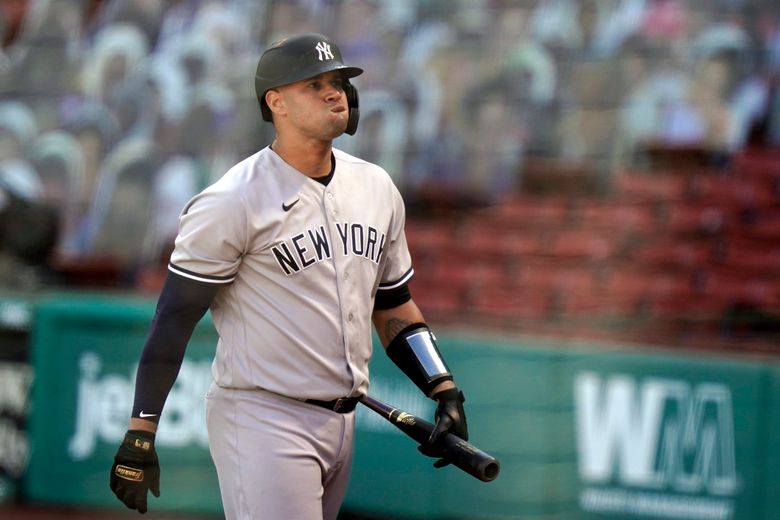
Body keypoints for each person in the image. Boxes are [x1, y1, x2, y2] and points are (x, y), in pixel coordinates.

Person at [108, 32, 469, 519]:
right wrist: (141, 428)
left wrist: (441, 387)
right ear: (275, 102)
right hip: (263, 416)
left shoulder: (376, 187)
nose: (334, 91)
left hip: (344, 420)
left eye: (338, 81)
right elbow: (173, 318)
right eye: (314, 84)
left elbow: (392, 303)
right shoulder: (232, 200)